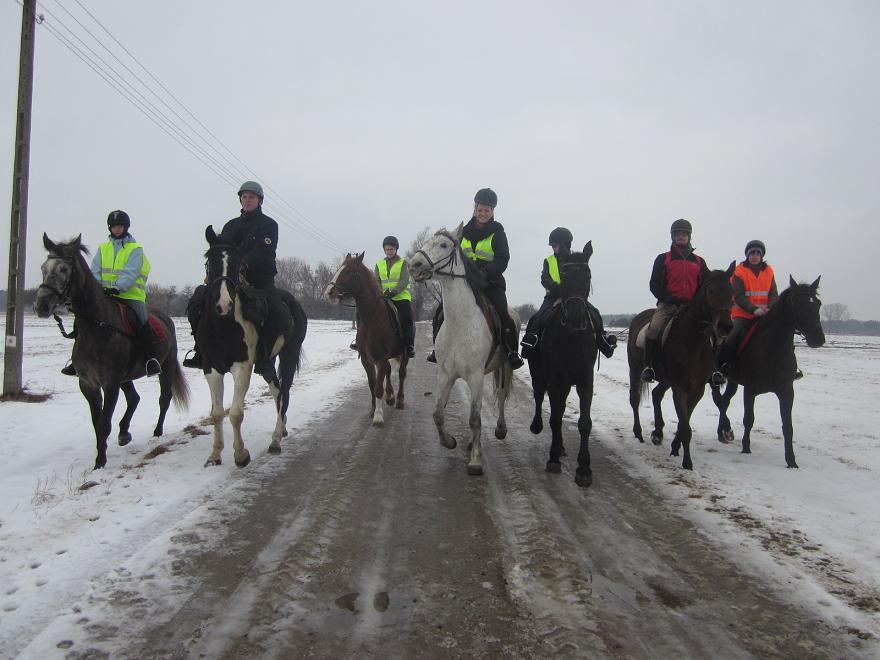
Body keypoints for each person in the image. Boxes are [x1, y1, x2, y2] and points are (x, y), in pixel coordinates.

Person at [183, 181, 291, 376]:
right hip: (230, 279)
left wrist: (242, 263)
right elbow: (221, 251)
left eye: (252, 197)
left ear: (259, 200)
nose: (247, 200)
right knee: (197, 301)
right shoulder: (230, 225)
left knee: (277, 311)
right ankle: (201, 351)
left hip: (260, 279)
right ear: (240, 199)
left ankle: (265, 358)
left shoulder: (268, 225)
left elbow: (265, 252)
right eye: (244, 197)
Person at [427, 188, 524, 369]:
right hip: (465, 284)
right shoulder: (462, 232)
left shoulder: (498, 233)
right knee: (440, 313)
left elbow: (503, 259)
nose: (483, 213)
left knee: (503, 314)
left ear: (492, 211)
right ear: (475, 209)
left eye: (487, 210)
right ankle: (437, 350)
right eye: (480, 210)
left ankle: (511, 352)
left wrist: (486, 271)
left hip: (490, 283)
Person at [61, 210, 161, 376]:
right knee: (82, 320)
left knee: (141, 322)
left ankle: (151, 360)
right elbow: (95, 271)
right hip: (104, 296)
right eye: (114, 226)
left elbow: (132, 272)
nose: (117, 229)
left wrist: (117, 287)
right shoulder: (103, 249)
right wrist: (97, 289)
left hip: (130, 296)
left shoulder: (135, 249)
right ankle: (77, 360)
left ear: (126, 227)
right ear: (110, 228)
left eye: (120, 226)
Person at [641, 218, 721, 385]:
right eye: (678, 234)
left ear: (689, 237)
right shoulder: (663, 259)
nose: (681, 237)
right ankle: (649, 367)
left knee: (715, 333)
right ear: (673, 237)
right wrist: (668, 298)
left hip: (692, 308)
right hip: (667, 305)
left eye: (684, 234)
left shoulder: (699, 261)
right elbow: (654, 284)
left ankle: (714, 369)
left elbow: (704, 287)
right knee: (654, 328)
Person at [519, 227, 617, 360]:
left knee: (594, 313)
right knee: (538, 317)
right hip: (553, 297)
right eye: (552, 246)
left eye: (555, 245)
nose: (553, 248)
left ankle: (602, 339)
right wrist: (558, 288)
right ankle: (532, 340)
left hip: (574, 297)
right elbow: (545, 278)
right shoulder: (549, 260)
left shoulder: (575, 259)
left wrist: (573, 290)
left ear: (565, 244)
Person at [717, 240, 801, 378]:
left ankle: (790, 368)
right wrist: (753, 309)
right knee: (735, 334)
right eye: (752, 253)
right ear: (747, 255)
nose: (754, 256)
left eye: (757, 253)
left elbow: (773, 293)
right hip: (743, 314)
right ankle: (723, 366)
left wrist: (770, 308)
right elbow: (737, 295)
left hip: (765, 314)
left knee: (783, 333)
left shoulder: (769, 271)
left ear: (761, 256)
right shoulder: (739, 272)